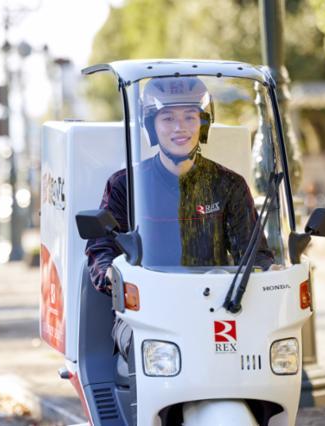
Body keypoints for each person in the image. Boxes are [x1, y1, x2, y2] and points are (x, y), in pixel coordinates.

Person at [85, 76, 275, 360]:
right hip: (145, 313)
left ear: (204, 123)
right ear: (151, 125)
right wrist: (110, 273)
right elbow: (101, 247)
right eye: (168, 118)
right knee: (143, 352)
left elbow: (253, 254)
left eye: (190, 116)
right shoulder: (126, 185)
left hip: (217, 308)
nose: (180, 127)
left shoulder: (228, 184)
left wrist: (270, 272)